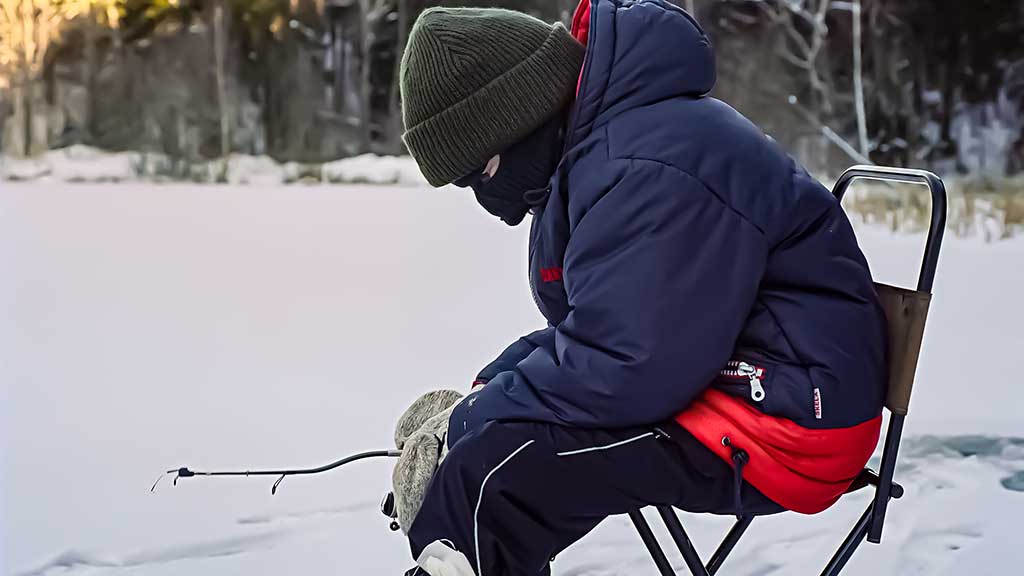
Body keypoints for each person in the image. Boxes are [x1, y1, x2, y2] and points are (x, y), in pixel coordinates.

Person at [393, 1, 888, 575]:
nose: (489, 201)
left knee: (496, 479)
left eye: (483, 171)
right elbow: (604, 330)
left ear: (520, 116)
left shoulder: (645, 164)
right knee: (488, 458)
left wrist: (470, 422)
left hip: (792, 417)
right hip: (744, 379)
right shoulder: (607, 149)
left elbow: (626, 364)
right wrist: (483, 392)